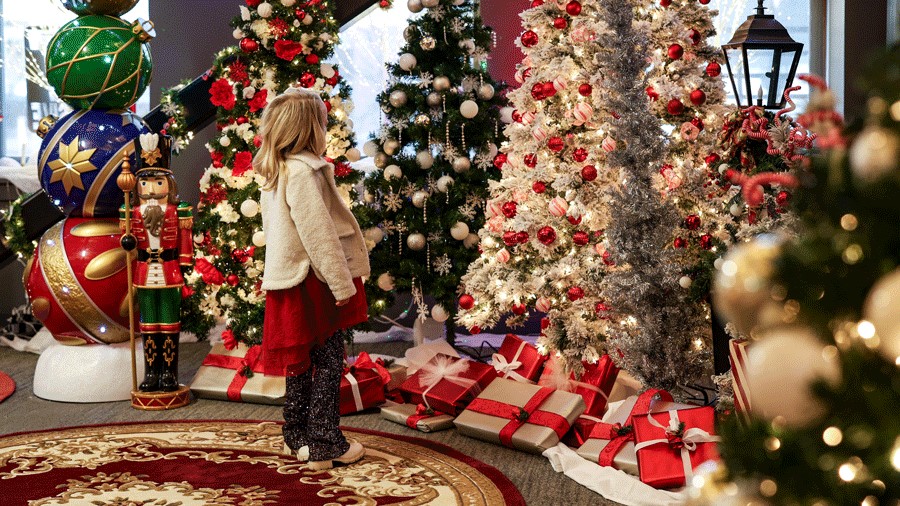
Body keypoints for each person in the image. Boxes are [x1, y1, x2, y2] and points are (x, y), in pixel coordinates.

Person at [256, 87, 371, 471]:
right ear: (311, 128)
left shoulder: (277, 170)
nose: (326, 127)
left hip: (289, 277)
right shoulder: (305, 171)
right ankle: (324, 442)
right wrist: (342, 284)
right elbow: (317, 233)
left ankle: (298, 436)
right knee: (328, 361)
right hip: (314, 280)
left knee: (301, 362)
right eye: (322, 121)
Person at [120, 133, 193, 392]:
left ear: (168, 185)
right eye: (145, 184)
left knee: (169, 323)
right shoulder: (131, 213)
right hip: (144, 273)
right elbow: (126, 243)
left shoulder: (178, 211)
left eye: (158, 182)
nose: (151, 189)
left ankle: (169, 375)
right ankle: (152, 373)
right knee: (149, 324)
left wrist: (186, 269)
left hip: (170, 273)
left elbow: (185, 244)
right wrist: (127, 242)